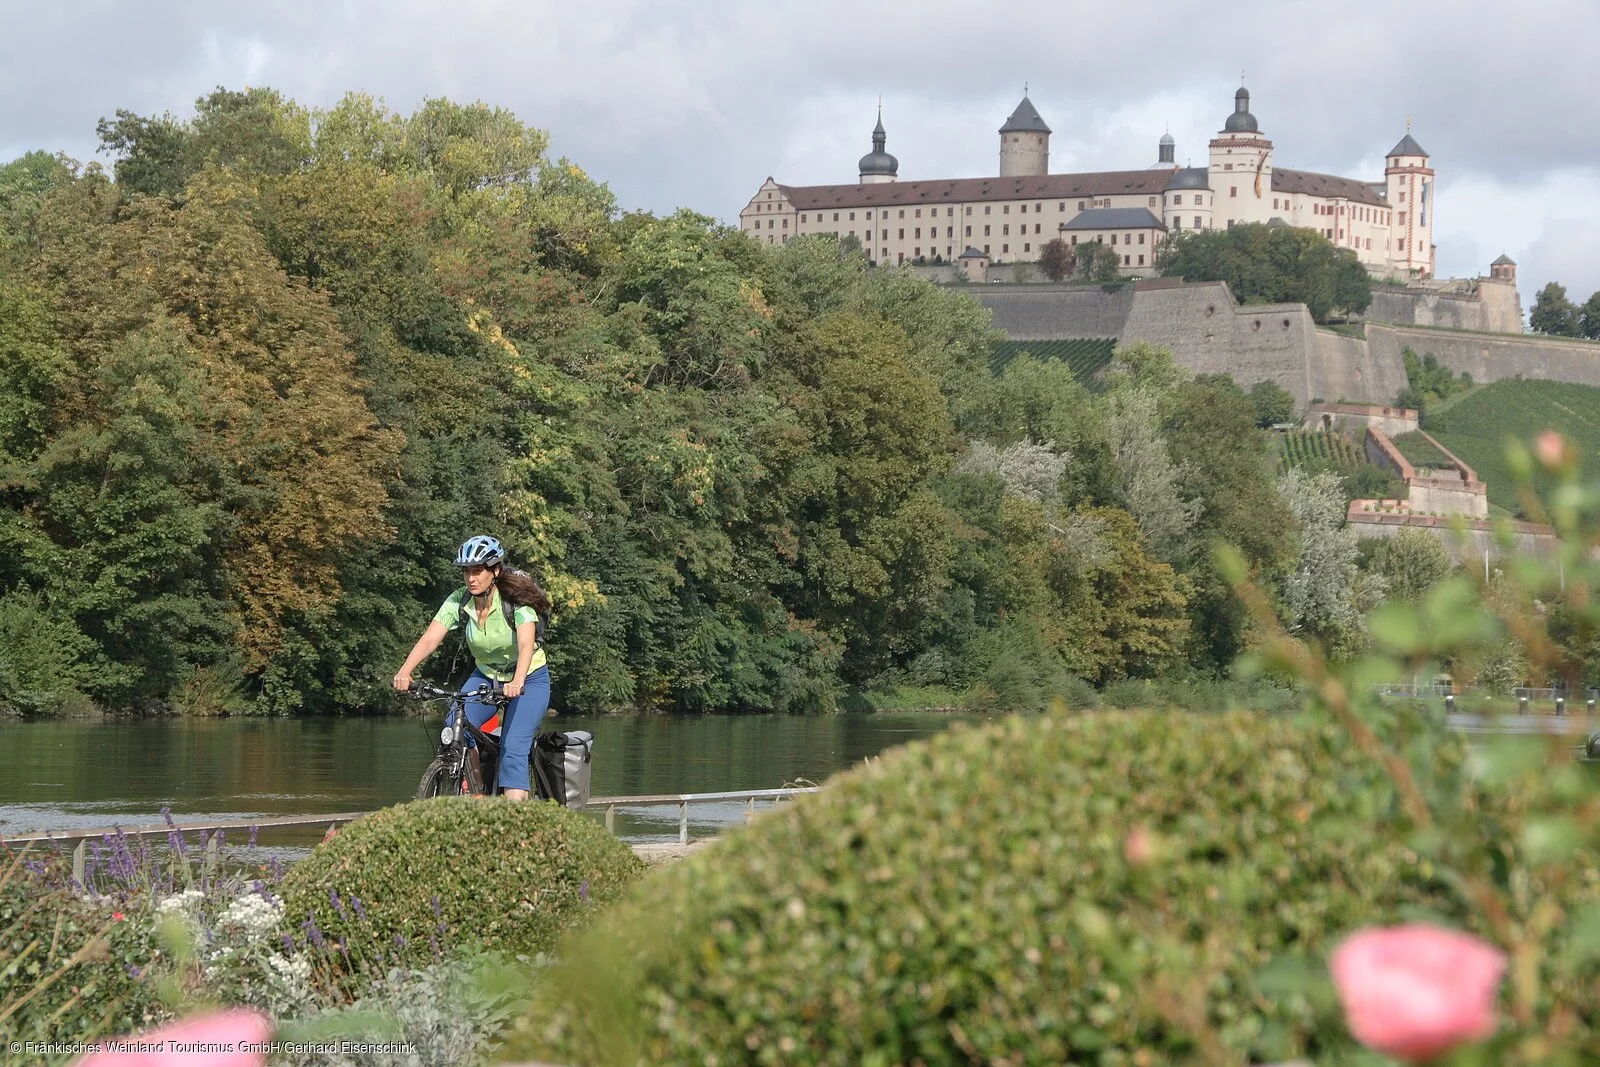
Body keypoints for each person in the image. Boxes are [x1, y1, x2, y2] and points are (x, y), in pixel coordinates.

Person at [393, 535, 552, 801]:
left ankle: (517, 822)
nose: (471, 578)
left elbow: (526, 646)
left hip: (529, 678)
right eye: (467, 571)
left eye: (477, 571)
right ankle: (478, 796)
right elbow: (431, 637)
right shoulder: (459, 600)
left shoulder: (515, 601)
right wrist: (405, 671)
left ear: (495, 571)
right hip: (486, 676)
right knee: (455, 729)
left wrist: (517, 682)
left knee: (513, 747)